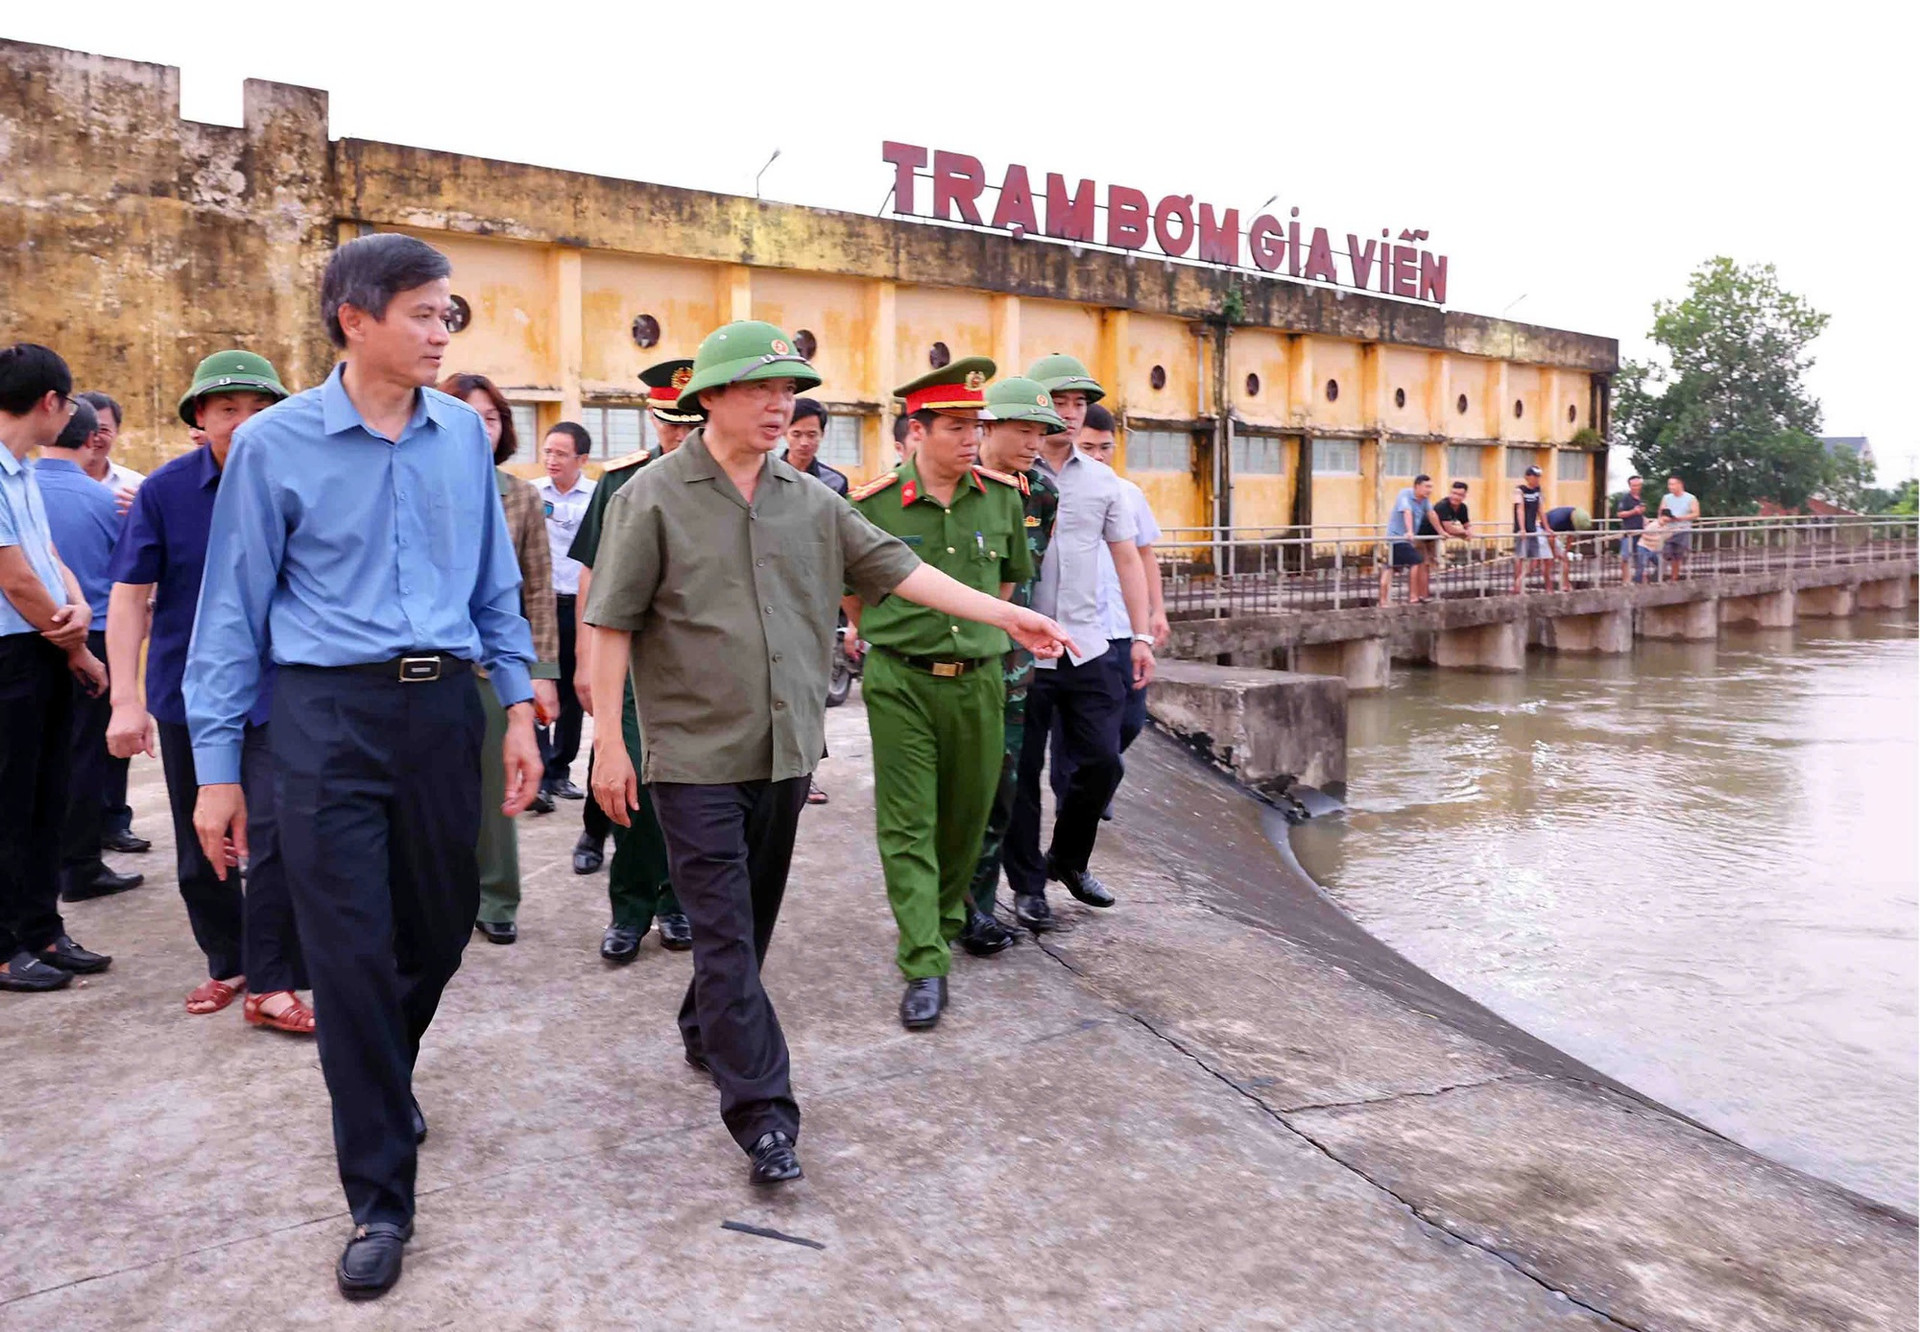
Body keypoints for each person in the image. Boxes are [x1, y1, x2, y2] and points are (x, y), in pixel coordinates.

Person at [584, 320, 1073, 1185]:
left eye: (790, 394)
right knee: (727, 932)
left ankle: (705, 1026)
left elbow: (899, 570)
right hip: (691, 753)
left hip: (783, 751)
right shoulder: (650, 497)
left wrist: (1008, 615)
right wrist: (609, 748)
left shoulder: (811, 502)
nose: (782, 407)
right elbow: (611, 622)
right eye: (762, 391)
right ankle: (764, 1114)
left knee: (752, 924)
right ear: (712, 398)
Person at [184, 234, 541, 1301]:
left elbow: (492, 587)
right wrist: (215, 766)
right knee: (345, 953)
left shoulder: (457, 444)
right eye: (426, 314)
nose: (442, 333)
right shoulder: (275, 445)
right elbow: (231, 611)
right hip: (323, 717)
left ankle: (379, 1075)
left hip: (444, 713)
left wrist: (518, 706)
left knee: (436, 929)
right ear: (356, 317)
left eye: (450, 317)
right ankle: (381, 1194)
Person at [105, 349, 310, 1030]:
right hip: (191, 695)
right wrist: (125, 700)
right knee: (204, 841)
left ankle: (273, 977)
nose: (245, 423)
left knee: (280, 832)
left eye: (261, 409)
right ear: (199, 418)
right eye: (228, 410)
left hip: (285, 688)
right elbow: (131, 597)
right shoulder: (164, 493)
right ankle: (228, 961)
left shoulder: (305, 485)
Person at [844, 357, 1032, 1029]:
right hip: (901, 682)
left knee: (966, 819)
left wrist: (971, 639)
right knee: (907, 823)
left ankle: (945, 916)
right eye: (956, 427)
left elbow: (1006, 588)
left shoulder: (1005, 498)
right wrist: (892, 635)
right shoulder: (869, 507)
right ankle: (924, 960)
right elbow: (852, 589)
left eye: (976, 428)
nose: (971, 440)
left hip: (978, 682)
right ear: (917, 431)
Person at [1004, 353, 1154, 932]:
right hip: (1023, 648)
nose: (1067, 415)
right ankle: (1026, 886)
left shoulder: (1103, 485)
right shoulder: (1006, 473)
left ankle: (1068, 860)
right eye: (1057, 402)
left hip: (1089, 645)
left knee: (1100, 764)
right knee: (1021, 773)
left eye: (1075, 404)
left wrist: (1140, 635)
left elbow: (1128, 559)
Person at [568, 360, 697, 960]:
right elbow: (591, 577)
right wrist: (583, 660)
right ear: (653, 419)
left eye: (691, 423)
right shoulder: (618, 484)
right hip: (631, 665)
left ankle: (677, 905)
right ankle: (630, 911)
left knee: (690, 795)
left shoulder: (720, 485)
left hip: (697, 667)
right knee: (631, 790)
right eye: (670, 424)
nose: (680, 436)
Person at [0, 343, 112, 993]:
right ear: (50, 403)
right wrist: (75, 643)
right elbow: (14, 579)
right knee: (8, 804)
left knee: (48, 798)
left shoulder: (21, 470)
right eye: (68, 404)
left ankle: (42, 927)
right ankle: (4, 943)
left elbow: (45, 556)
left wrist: (76, 603)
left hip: (44, 641)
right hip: (12, 653)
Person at [442, 374, 561, 946]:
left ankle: (496, 896)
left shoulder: (522, 496)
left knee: (498, 788)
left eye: (489, 418)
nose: (479, 428)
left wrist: (541, 675)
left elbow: (537, 589)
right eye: (466, 415)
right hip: (432, 664)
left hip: (495, 668)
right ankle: (438, 896)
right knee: (431, 792)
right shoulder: (420, 484)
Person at [35, 398, 146, 905]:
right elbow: (134, 579)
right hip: (96, 636)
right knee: (84, 757)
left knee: (37, 756)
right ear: (90, 438)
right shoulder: (110, 502)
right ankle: (79, 866)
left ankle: (41, 864)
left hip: (31, 634)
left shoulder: (20, 490)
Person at [967, 375, 1061, 934]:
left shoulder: (1043, 494)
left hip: (1014, 666)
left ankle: (987, 902)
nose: (1034, 442)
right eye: (1023, 429)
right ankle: (952, 903)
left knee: (1008, 787)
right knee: (959, 791)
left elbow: (1028, 574)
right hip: (955, 660)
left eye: (1041, 433)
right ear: (990, 427)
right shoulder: (956, 486)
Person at [1051, 403, 1166, 817]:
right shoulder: (1051, 487)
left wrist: (1156, 615)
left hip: (1121, 627)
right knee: (1074, 723)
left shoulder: (1126, 493)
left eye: (1105, 447)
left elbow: (1144, 555)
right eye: (1089, 447)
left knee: (1132, 719)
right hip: (1080, 629)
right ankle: (1075, 794)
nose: (1097, 455)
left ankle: (1098, 777)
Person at [78, 389, 145, 850]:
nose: (99, 437)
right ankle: (76, 834)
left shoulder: (134, 487)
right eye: (92, 428)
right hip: (61, 622)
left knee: (117, 723)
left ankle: (114, 820)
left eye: (107, 428)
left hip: (113, 621)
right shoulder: (39, 484)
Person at [535, 421, 595, 804]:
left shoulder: (597, 495)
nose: (552, 460)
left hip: (580, 607)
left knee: (575, 692)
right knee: (540, 685)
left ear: (582, 459)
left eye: (561, 453)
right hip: (542, 605)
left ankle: (560, 772)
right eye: (548, 452)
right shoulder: (530, 494)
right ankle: (539, 777)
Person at [76, 390, 145, 505]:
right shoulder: (47, 484)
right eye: (85, 429)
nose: (93, 438)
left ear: (117, 432)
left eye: (103, 429)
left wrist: (141, 514)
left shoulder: (137, 486)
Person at [783, 397, 849, 495]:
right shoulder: (765, 475)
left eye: (811, 435)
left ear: (822, 434)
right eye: (796, 434)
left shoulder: (835, 482)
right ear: (784, 433)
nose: (804, 443)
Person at [1511, 464, 1550, 593]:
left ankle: (1520, 580)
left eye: (1538, 476)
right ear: (1527, 477)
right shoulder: (1520, 490)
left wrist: (1547, 528)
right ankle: (1516, 586)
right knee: (1520, 557)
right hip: (1522, 529)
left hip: (1533, 529)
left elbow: (1541, 510)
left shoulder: (1538, 490)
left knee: (1535, 559)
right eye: (1535, 476)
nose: (1537, 479)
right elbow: (1520, 509)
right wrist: (1522, 529)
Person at [1660, 475, 1699, 580]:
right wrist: (1665, 518)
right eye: (1669, 484)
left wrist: (1681, 518)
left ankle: (1674, 577)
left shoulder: (1690, 498)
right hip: (1668, 530)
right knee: (1666, 553)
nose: (1670, 486)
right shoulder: (1666, 498)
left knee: (1678, 555)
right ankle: (1660, 574)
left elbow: (1695, 514)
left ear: (1680, 485)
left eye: (1672, 484)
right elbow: (1661, 513)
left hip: (1683, 529)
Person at [1544, 504, 1592, 591]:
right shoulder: (1557, 519)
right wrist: (1553, 552)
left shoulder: (1575, 520)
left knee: (1564, 559)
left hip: (1555, 536)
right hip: (1544, 533)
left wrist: (1566, 551)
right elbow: (1550, 537)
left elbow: (1570, 536)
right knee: (1548, 561)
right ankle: (1548, 586)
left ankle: (1565, 584)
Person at [1616, 475, 1648, 585]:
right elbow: (1620, 514)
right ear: (1630, 486)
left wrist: (1644, 518)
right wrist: (1633, 511)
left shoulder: (1642, 498)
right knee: (1625, 556)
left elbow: (1641, 514)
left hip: (1640, 532)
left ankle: (1640, 580)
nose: (1636, 487)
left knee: (1640, 556)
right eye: (1634, 485)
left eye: (1638, 485)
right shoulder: (1625, 498)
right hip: (1628, 532)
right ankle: (1626, 580)